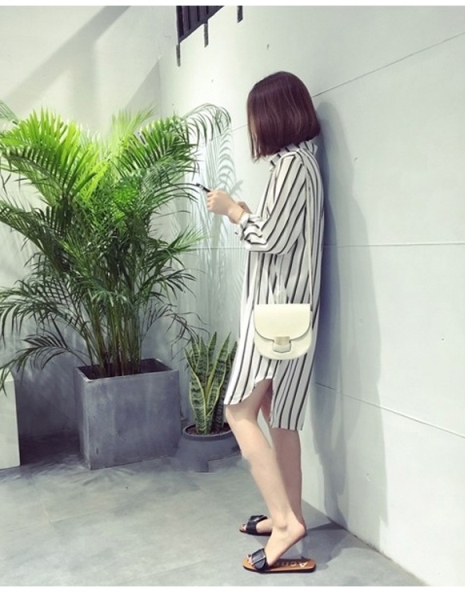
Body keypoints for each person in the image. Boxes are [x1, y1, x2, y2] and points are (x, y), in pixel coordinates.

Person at [205, 71, 324, 574]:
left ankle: (285, 522)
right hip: (292, 313)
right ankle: (288, 518)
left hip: (275, 314)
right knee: (282, 417)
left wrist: (232, 212)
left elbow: (270, 239)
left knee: (237, 411)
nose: (253, 127)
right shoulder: (302, 164)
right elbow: (279, 233)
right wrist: (246, 214)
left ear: (273, 117)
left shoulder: (292, 166)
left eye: (256, 116)